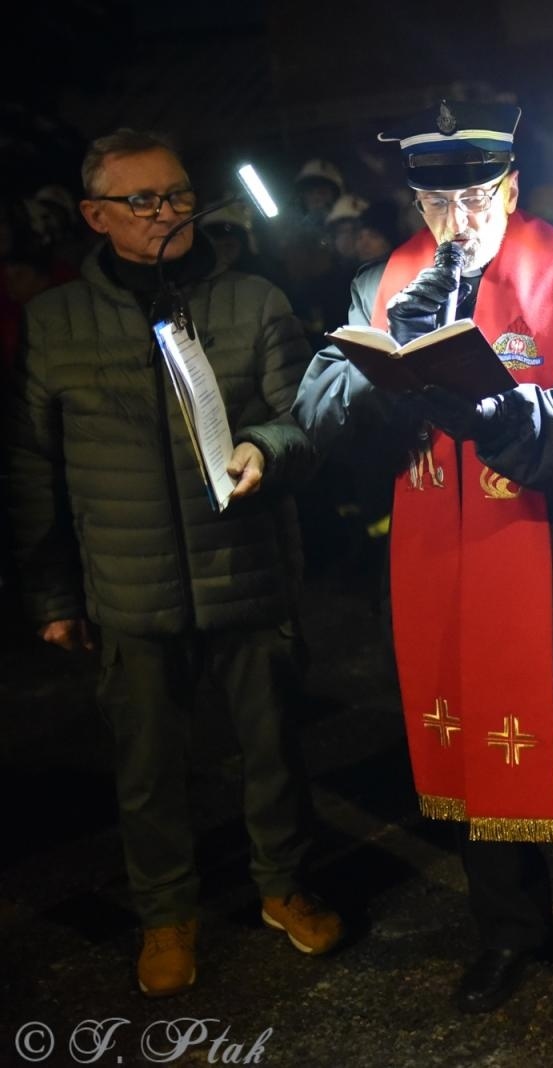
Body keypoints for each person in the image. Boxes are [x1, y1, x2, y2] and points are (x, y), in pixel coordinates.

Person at [294, 101, 553, 1017]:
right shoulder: (383, 281)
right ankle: (505, 931)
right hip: (441, 563)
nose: (456, 224)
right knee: (464, 749)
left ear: (513, 187)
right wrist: (390, 369)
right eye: (436, 203)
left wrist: (505, 418)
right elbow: (321, 417)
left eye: (477, 200)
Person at [4, 129, 340, 997]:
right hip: (128, 587)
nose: (170, 214)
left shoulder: (251, 300)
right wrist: (51, 591)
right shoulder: (55, 321)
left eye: (180, 194)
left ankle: (282, 885)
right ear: (95, 216)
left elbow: (303, 418)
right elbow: (34, 466)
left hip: (248, 571)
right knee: (147, 771)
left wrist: (268, 444)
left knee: (274, 750)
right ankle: (165, 915)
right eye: (144, 201)